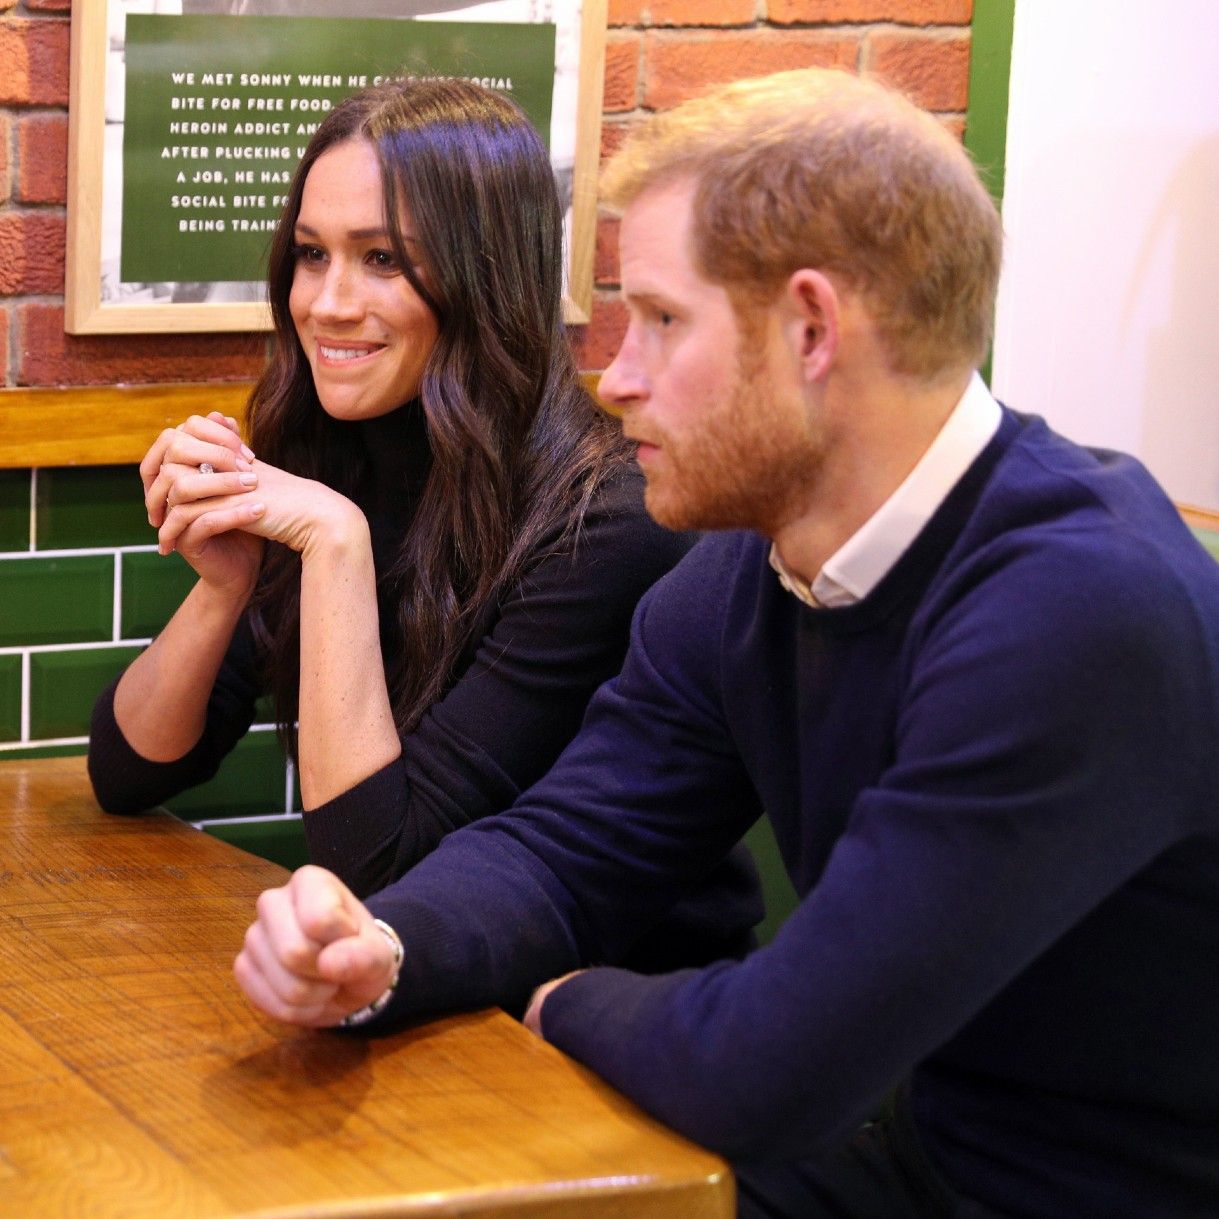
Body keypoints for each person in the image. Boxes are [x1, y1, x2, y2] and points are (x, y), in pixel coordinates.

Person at [232, 67, 1219, 1218]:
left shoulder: (1076, 609)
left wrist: (558, 999)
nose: (618, 375)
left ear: (810, 330)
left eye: (659, 320)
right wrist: (382, 948)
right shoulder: (747, 568)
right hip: (930, 1168)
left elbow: (771, 1068)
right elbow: (563, 847)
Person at [88, 77, 760, 971]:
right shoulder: (339, 454)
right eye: (311, 253)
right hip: (419, 990)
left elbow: (383, 866)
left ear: (485, 276)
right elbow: (128, 772)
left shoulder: (605, 523)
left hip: (616, 1018)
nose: (325, 302)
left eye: (382, 260)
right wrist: (225, 589)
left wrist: (334, 546)